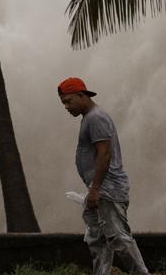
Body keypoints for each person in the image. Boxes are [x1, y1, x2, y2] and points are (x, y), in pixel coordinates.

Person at [58, 77, 149, 275]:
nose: (66, 107)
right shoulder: (89, 117)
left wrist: (95, 189)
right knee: (97, 237)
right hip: (98, 188)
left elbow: (104, 153)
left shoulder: (96, 118)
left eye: (68, 101)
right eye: (63, 102)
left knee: (118, 236)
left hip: (106, 189)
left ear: (82, 96)